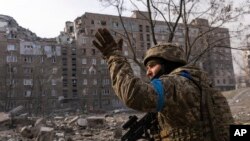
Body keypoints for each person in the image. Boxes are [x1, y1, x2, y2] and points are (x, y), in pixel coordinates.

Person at [92, 28, 234, 141]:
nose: (148, 73)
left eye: (152, 66)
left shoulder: (176, 84)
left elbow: (133, 94)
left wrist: (113, 56)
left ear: (168, 64)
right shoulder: (207, 89)